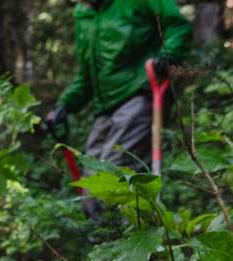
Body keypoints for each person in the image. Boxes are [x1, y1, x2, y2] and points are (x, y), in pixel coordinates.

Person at [45, 0, 191, 216]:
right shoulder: (84, 14)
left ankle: (138, 239)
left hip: (140, 92)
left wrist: (168, 55)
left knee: (113, 173)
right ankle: (102, 240)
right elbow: (87, 74)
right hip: (106, 105)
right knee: (91, 182)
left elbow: (178, 26)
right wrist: (64, 105)